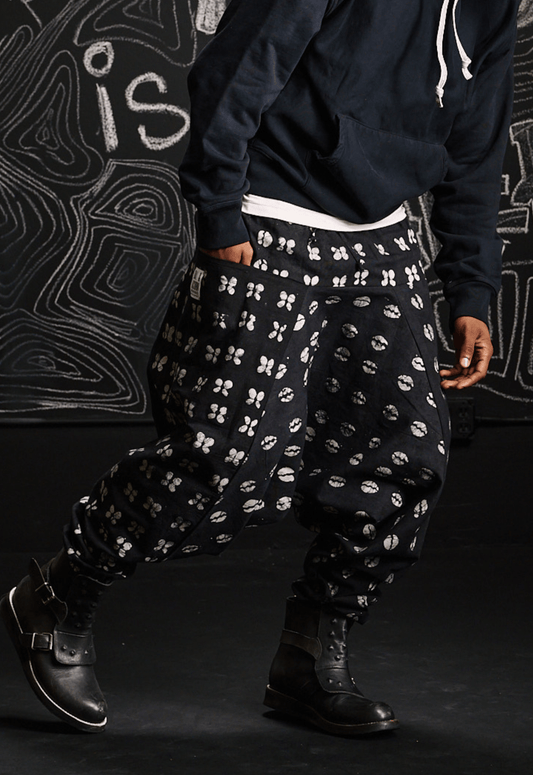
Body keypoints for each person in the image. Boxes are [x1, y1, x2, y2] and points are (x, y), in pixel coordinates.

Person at [1, 0, 519, 737]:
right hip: (270, 217)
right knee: (224, 455)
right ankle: (60, 593)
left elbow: (477, 142)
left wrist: (471, 286)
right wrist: (220, 210)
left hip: (382, 238)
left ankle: (308, 658)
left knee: (405, 458)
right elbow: (238, 67)